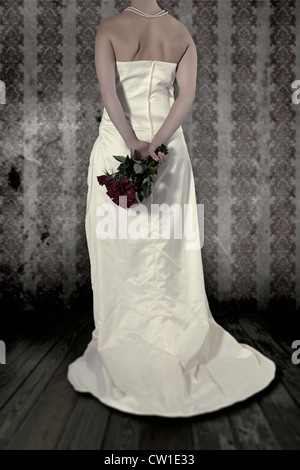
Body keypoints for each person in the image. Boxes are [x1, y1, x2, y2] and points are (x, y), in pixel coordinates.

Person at [67, 0, 275, 417]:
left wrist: (133, 146)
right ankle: (173, 340)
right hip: (170, 152)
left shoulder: (110, 27)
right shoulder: (181, 34)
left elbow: (110, 94)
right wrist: (156, 146)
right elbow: (188, 95)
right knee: (171, 244)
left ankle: (126, 342)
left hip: (117, 145)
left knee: (116, 245)